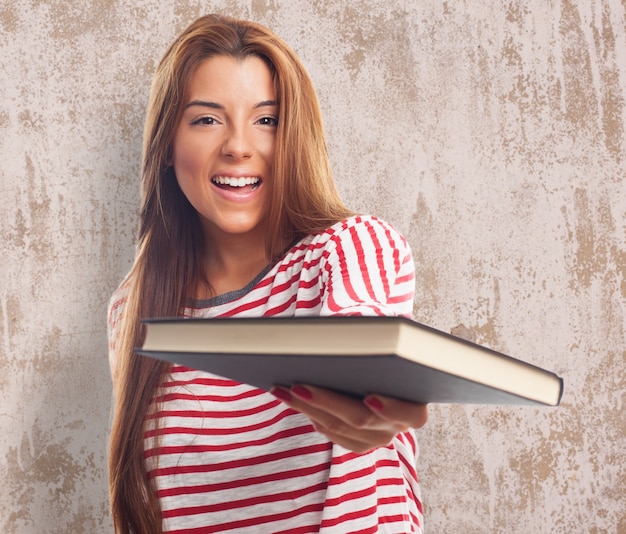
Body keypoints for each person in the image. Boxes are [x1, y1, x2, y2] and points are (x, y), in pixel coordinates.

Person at [108, 13, 428, 534]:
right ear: (168, 145)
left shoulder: (349, 249)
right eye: (207, 119)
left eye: (267, 119)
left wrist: (369, 404)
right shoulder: (133, 308)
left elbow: (361, 345)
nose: (238, 145)